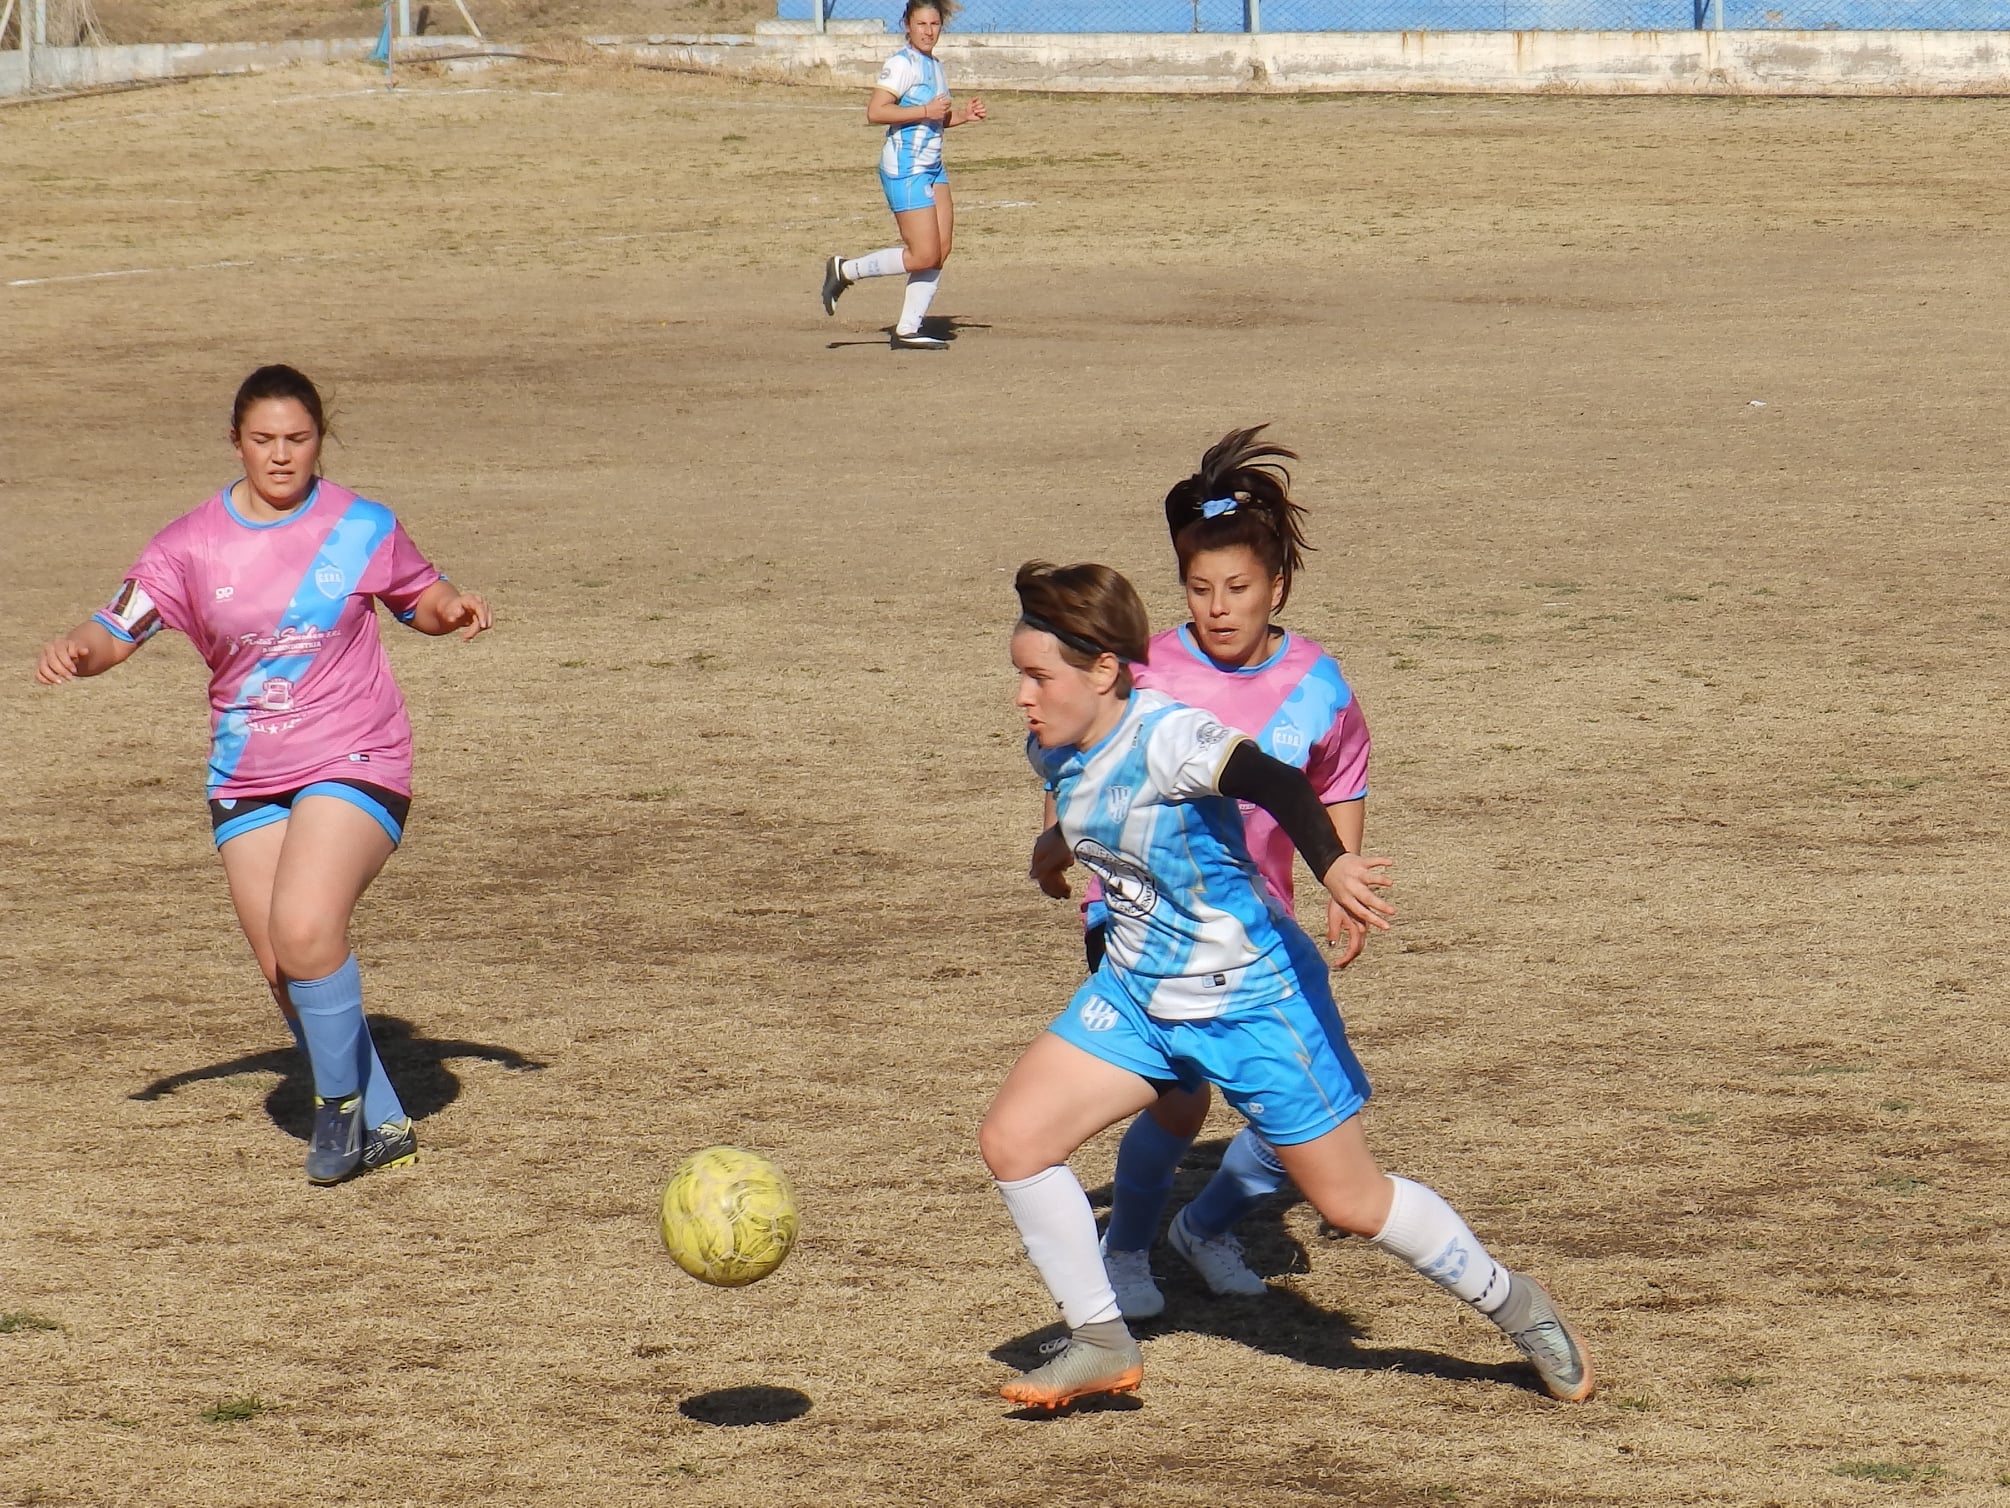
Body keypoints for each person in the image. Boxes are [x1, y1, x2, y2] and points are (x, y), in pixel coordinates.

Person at [982, 561, 1594, 1410]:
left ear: (1104, 671)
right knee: (1015, 1144)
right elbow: (1080, 803)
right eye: (1019, 673)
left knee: (1351, 1203)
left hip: (1246, 1005)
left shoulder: (1170, 737)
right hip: (1137, 997)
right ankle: (1101, 1339)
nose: (1022, 695)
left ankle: (1516, 1303)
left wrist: (1333, 862)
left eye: (1038, 675)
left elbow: (1273, 779)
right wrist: (1055, 851)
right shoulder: (1054, 746)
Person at [33, 364, 491, 1186]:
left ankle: (338, 1112)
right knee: (284, 965)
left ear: (320, 440)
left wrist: (450, 608)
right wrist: (79, 652)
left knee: (307, 930)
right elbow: (117, 625)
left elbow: (418, 595)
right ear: (236, 442)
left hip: (356, 755)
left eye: (298, 439)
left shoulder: (361, 525)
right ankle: (383, 1120)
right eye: (263, 440)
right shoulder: (188, 544)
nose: (281, 456)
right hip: (246, 774)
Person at [1080, 426, 1375, 1320]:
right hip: (1137, 918)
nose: (1217, 607)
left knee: (1311, 1109)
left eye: (1237, 588)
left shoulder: (1318, 683)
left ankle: (1202, 1227)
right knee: (1178, 1095)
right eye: (1199, 588)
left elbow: (1338, 777)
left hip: (1258, 928)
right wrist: (1059, 846)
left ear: (1276, 584)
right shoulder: (1144, 670)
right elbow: (1082, 758)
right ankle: (1123, 1249)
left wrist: (1341, 878)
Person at [819, 0, 985, 350]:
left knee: (940, 250)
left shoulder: (934, 65)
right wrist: (925, 109)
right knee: (922, 254)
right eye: (921, 24)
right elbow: (876, 111)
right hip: (905, 168)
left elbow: (936, 119)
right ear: (907, 25)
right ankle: (846, 271)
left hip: (932, 167)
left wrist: (962, 117)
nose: (928, 31)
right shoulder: (901, 64)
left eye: (934, 24)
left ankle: (909, 329)